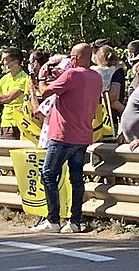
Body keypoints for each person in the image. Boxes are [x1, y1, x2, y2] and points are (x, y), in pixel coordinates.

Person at [33, 42, 103, 232]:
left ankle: (53, 219)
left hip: (62, 134)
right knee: (76, 179)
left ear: (76, 58)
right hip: (82, 135)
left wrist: (41, 77)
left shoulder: (71, 74)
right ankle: (75, 221)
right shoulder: (96, 77)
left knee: (48, 174)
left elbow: (44, 92)